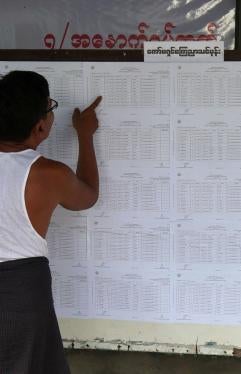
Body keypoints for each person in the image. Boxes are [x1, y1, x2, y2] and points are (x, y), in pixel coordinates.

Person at [0, 70, 102, 373]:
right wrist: (84, 136)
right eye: (50, 107)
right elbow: (88, 196)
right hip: (21, 292)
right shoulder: (48, 175)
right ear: (40, 126)